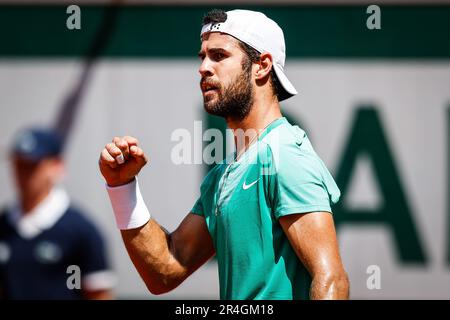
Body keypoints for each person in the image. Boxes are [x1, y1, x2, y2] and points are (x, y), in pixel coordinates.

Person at [99, 9, 349, 300]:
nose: (203, 67)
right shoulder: (224, 174)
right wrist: (121, 187)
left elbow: (331, 279)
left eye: (219, 56)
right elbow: (166, 269)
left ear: (262, 66)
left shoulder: (285, 155)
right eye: (202, 56)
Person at [0, 127, 115, 299]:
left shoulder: (81, 230)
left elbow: (99, 294)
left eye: (32, 165)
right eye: (19, 164)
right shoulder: (4, 224)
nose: (24, 173)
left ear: (57, 166)